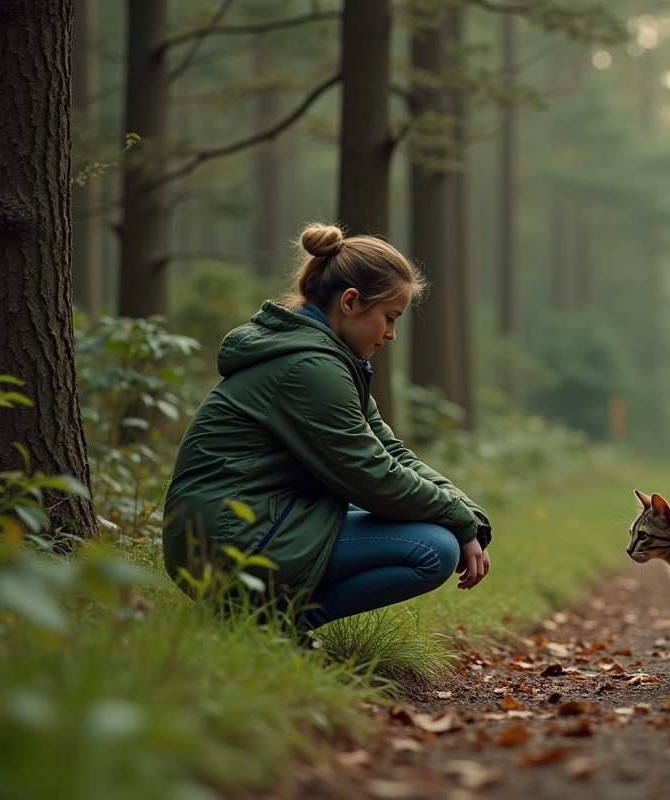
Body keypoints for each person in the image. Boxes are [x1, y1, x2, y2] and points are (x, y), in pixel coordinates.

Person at [162, 223, 491, 636]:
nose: (391, 335)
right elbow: (372, 476)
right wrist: (457, 524)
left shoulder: (330, 360)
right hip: (229, 542)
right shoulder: (310, 368)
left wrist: (469, 515)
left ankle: (265, 624)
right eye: (389, 318)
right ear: (351, 301)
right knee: (432, 548)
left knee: (437, 527)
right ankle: (270, 629)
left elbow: (392, 454)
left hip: (257, 523)